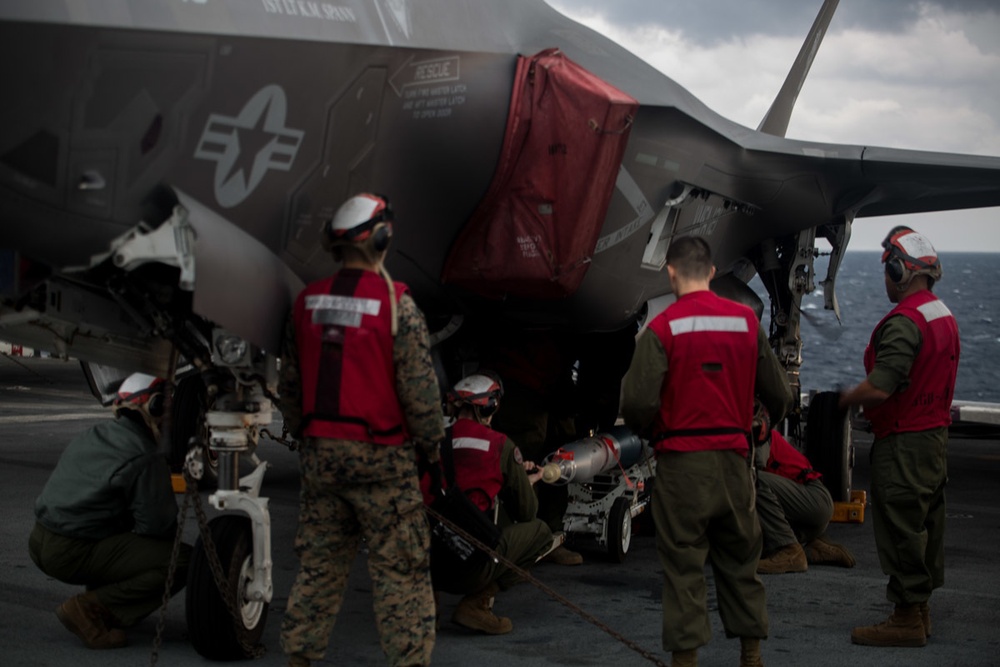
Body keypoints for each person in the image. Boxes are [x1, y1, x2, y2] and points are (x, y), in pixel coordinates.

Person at [278, 193, 445, 667]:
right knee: (402, 573)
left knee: (319, 567)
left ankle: (299, 659)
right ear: (383, 237)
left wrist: (305, 436)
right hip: (383, 462)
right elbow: (419, 392)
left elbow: (290, 385)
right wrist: (432, 449)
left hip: (321, 460)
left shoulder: (306, 302)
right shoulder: (396, 304)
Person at [621, 235, 792, 667]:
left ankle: (685, 662)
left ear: (672, 273)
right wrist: (761, 420)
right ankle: (751, 656)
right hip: (735, 464)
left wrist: (652, 429)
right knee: (741, 562)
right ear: (713, 273)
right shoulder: (746, 323)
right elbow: (780, 394)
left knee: (683, 569)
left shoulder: (661, 329)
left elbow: (637, 403)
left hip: (681, 467)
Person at [838, 226, 959, 648]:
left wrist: (846, 398)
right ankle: (921, 611)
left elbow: (882, 386)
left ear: (899, 270)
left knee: (902, 528)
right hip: (934, 438)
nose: (885, 281)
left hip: (904, 442)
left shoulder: (905, 323)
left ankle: (906, 617)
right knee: (925, 523)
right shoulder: (941, 313)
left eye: (887, 272)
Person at [28, 372, 191, 649]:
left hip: (40, 540)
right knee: (182, 559)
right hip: (70, 552)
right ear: (153, 408)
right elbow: (158, 527)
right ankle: (90, 610)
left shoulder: (95, 433)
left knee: (118, 532)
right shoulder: (144, 454)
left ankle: (102, 601)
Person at [424, 372, 553, 635]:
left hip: (428, 563)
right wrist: (526, 480)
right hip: (471, 568)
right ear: (490, 407)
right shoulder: (500, 445)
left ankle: (428, 605)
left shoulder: (431, 441)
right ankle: (476, 604)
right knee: (540, 532)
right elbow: (527, 511)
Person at [754, 428, 855, 574]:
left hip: (814, 499)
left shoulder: (755, 426)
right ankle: (812, 547)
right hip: (805, 518)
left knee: (750, 479)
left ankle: (790, 550)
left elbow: (757, 462)